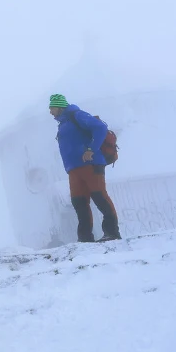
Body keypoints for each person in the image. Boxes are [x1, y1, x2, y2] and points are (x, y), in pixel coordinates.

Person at [49, 93, 120, 242]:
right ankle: (85, 238)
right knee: (79, 201)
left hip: (91, 164)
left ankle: (112, 232)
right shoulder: (63, 123)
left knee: (99, 196)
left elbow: (100, 127)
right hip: (74, 169)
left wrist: (91, 149)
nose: (50, 111)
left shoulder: (77, 115)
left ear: (60, 106)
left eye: (52, 107)